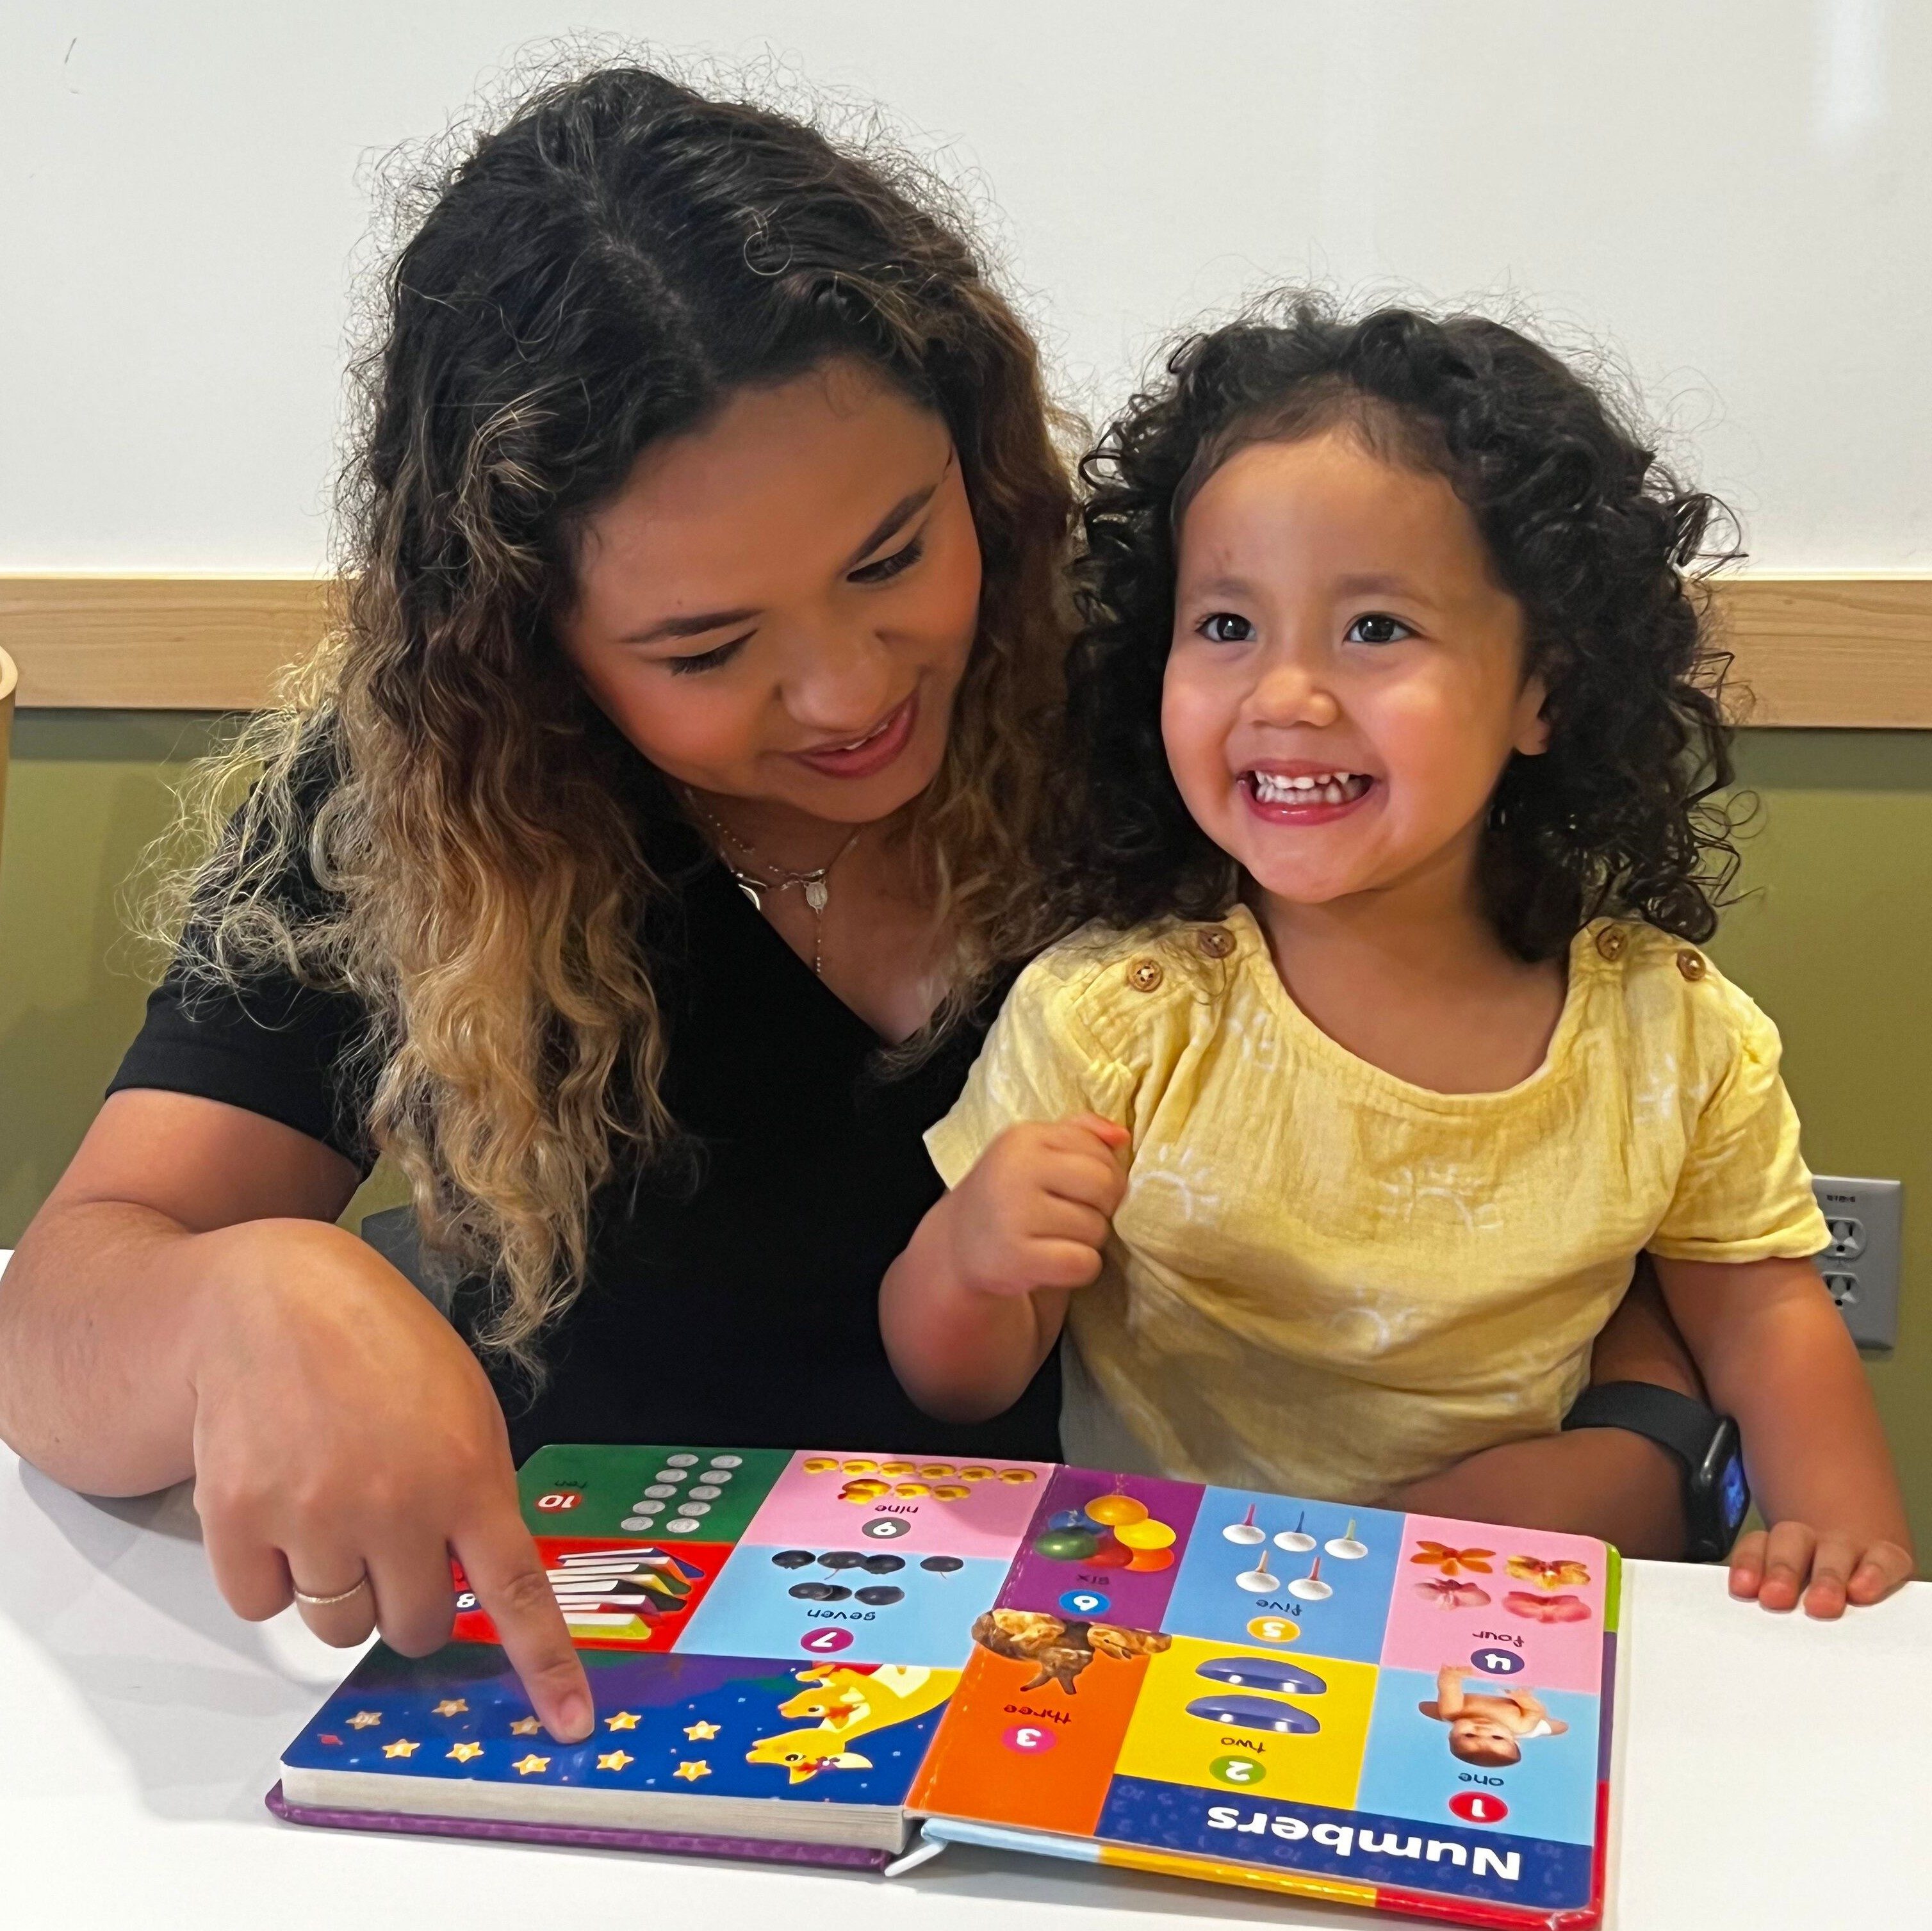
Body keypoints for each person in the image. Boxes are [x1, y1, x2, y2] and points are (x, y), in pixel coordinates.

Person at [0, 80, 1695, 1746]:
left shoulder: (1197, 677)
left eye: (895, 556)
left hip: (1169, 1678)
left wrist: (1634, 1434)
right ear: (531, 650)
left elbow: (1586, 1127)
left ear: (979, 458)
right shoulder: (424, 809)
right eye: (705, 648)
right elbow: (61, 1313)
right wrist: (246, 1301)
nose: (846, 691)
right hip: (629, 1699)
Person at [881, 297, 1915, 1619]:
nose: (1286, 694)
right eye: (1224, 626)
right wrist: (971, 1257)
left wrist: (1846, 1544)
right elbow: (954, 1379)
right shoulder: (1113, 1012)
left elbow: (1761, 1316)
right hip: (1167, 1625)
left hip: (1492, 1632)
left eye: (1374, 629)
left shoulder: (1671, 1031)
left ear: (1542, 689)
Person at [1420, 1665, 1568, 1769]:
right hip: (1524, 1725)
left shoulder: (1453, 1712)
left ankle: (1434, 1714)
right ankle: (1556, 1729)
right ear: (1514, 1740)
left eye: (1470, 1735)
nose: (1483, 1730)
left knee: (1431, 1708)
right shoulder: (1521, 1726)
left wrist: (1451, 1676)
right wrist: (1524, 1700)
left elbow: (1448, 1688)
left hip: (1459, 1715)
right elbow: (1536, 1712)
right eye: (1497, 1737)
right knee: (1552, 1727)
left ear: (1451, 1733)